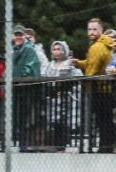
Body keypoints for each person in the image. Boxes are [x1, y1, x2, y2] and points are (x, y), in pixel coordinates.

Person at [73, 18, 115, 153]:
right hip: (106, 87)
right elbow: (91, 63)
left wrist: (86, 81)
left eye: (94, 29)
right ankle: (106, 145)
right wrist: (79, 63)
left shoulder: (97, 47)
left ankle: (105, 146)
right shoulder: (103, 44)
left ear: (101, 30)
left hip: (99, 88)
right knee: (106, 118)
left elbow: (92, 70)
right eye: (89, 29)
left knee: (102, 120)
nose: (91, 32)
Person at [43, 40, 83, 150]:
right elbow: (45, 79)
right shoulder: (49, 66)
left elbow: (76, 78)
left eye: (59, 49)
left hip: (67, 97)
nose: (56, 52)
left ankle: (63, 145)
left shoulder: (69, 64)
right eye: (54, 49)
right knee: (54, 122)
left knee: (64, 121)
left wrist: (65, 88)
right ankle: (56, 145)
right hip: (53, 97)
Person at [11, 26, 42, 148]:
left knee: (26, 115)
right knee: (18, 115)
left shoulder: (29, 49)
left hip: (26, 87)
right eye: (16, 35)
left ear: (24, 36)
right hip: (17, 86)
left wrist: (17, 76)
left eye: (20, 35)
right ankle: (21, 142)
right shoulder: (14, 49)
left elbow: (29, 67)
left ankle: (25, 143)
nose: (18, 37)